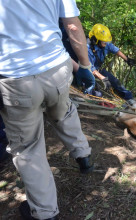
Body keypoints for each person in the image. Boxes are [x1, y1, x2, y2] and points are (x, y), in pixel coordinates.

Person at [0, 1, 94, 219]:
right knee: (64, 111)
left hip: (15, 78)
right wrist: (85, 65)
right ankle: (83, 156)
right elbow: (72, 25)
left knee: (28, 148)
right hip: (58, 68)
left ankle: (44, 211)